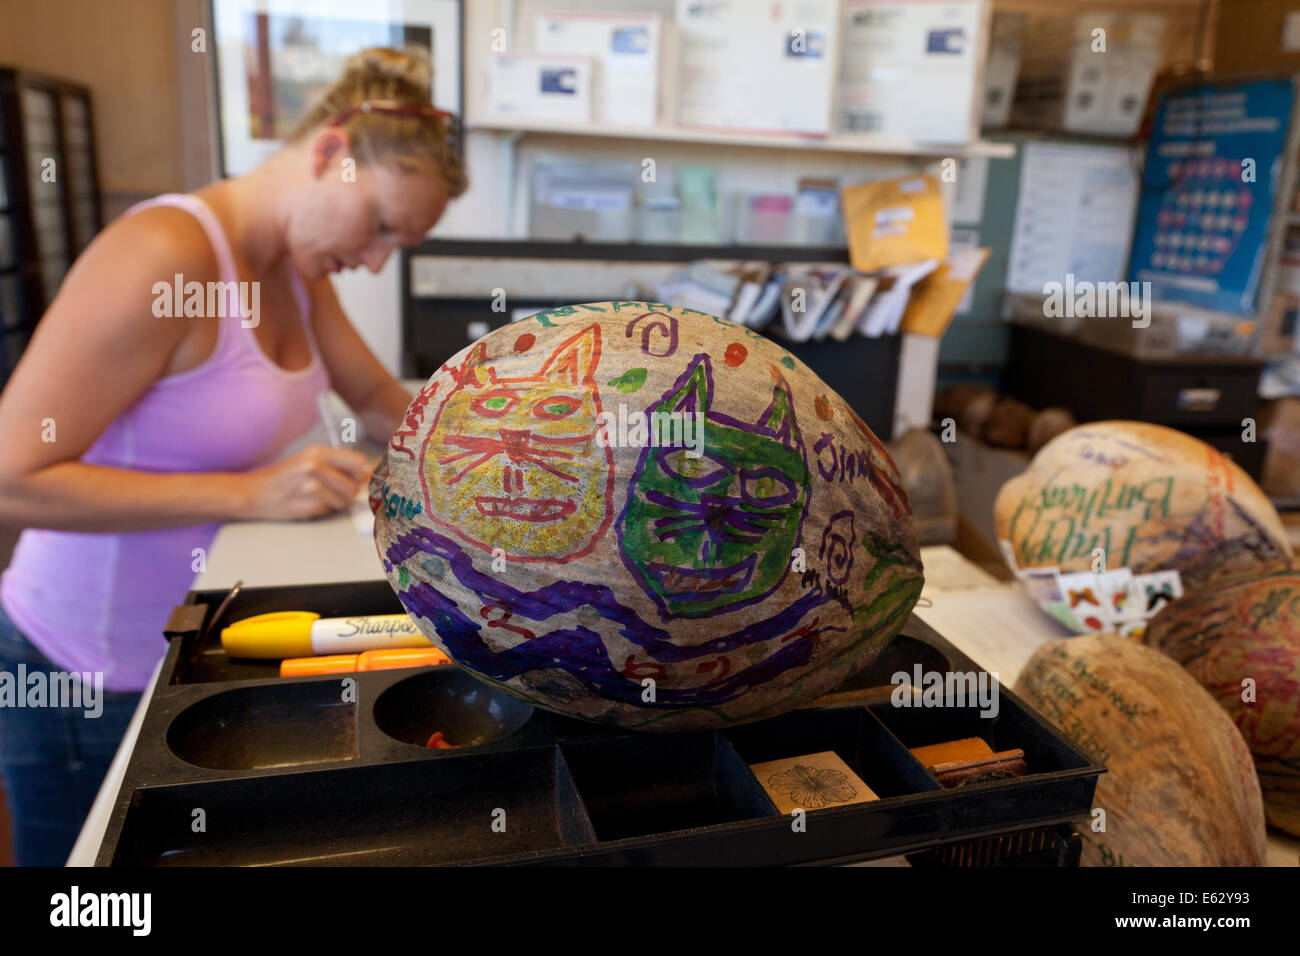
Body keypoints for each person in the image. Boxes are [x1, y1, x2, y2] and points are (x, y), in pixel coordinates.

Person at [0, 46, 466, 865]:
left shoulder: (294, 269)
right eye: (381, 225)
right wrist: (248, 492)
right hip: (87, 665)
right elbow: (11, 479)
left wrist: (493, 454)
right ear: (330, 151)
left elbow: (376, 397)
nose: (377, 261)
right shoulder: (161, 255)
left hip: (189, 637)